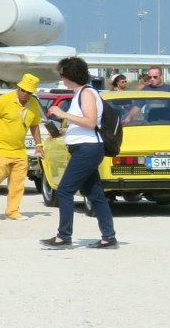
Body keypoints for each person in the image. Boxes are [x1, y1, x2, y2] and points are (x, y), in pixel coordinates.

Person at [42, 56, 117, 249]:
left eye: (62, 74)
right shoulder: (82, 93)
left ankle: (63, 236)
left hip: (87, 149)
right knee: (95, 193)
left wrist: (63, 114)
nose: (61, 78)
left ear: (69, 75)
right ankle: (108, 236)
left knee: (65, 190)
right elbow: (86, 124)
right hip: (85, 147)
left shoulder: (86, 94)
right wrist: (65, 131)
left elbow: (91, 121)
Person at [0, 73, 45, 220]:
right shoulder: (4, 100)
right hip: (0, 148)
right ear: (18, 88)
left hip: (19, 150)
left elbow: (35, 126)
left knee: (18, 183)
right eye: (23, 90)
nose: (25, 94)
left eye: (29, 92)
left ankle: (12, 211)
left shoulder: (34, 104)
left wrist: (39, 145)